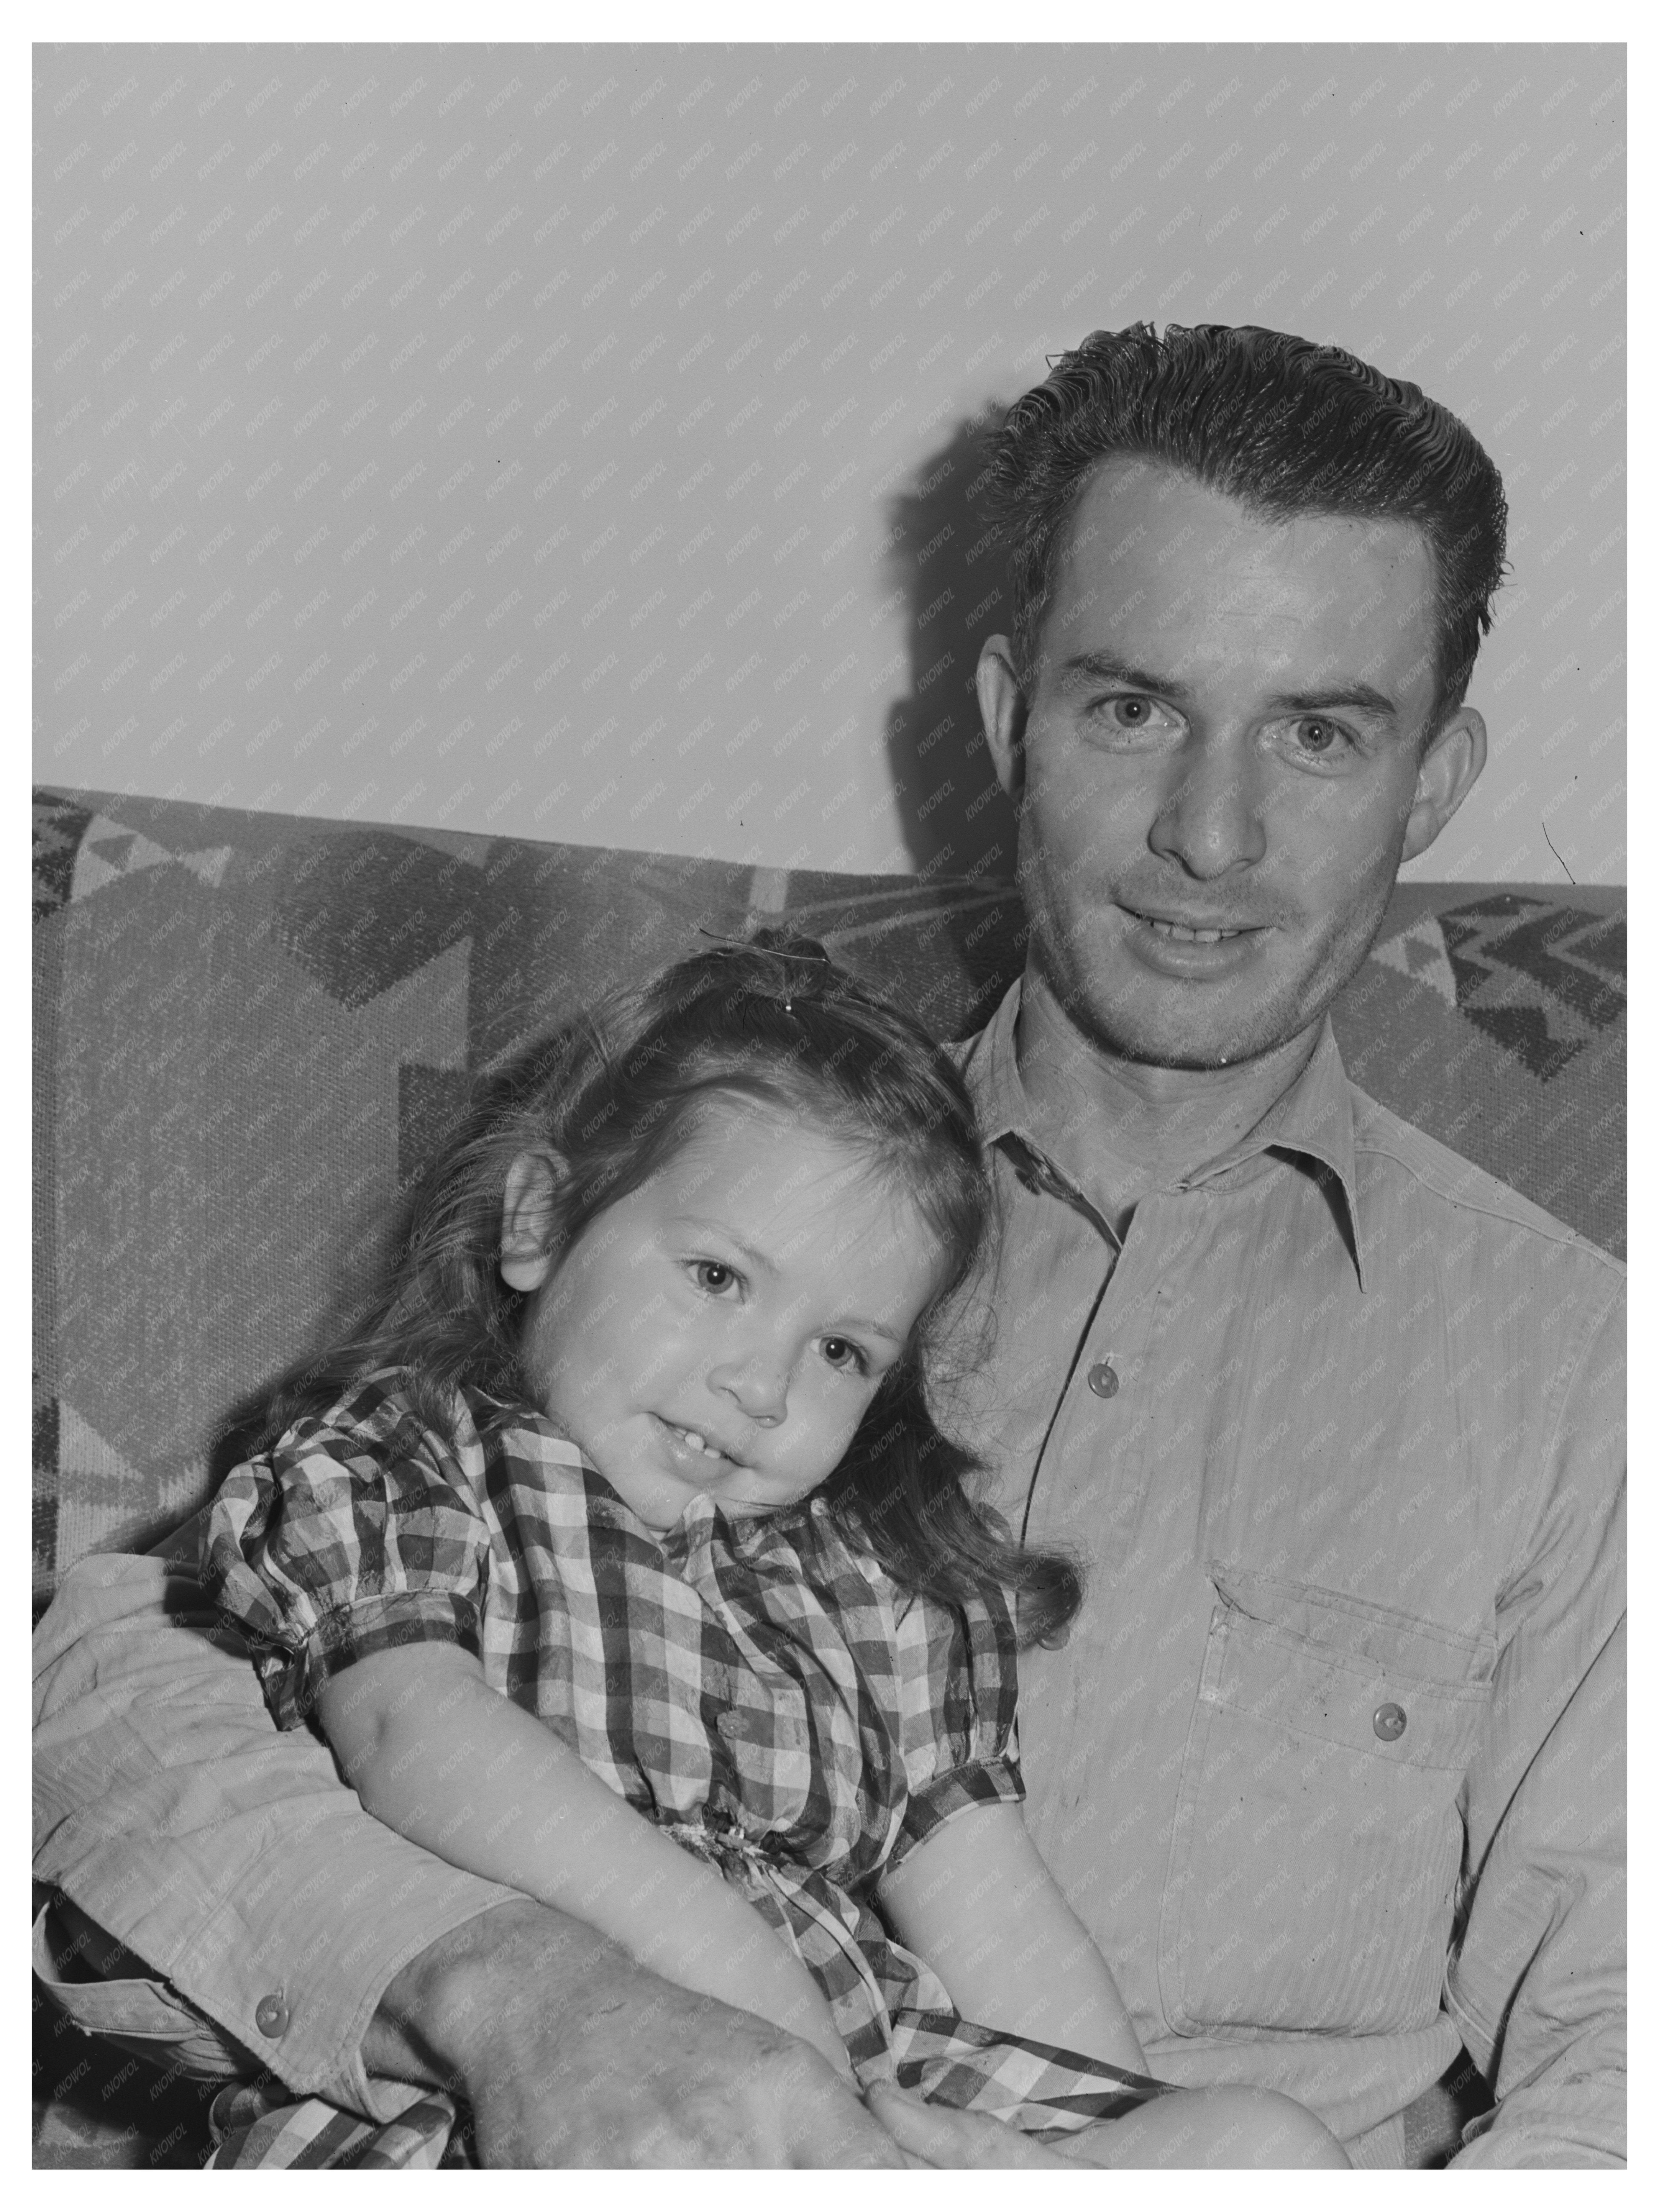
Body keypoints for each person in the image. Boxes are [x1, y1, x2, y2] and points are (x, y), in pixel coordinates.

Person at [34, 322, 1624, 2168]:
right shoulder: (720, 1183)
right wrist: (506, 1987)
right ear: (1006, 713)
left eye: (1323, 734)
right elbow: (108, 1696)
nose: (1211, 831)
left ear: (1434, 780)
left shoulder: (1582, 1365)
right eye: (1133, 708)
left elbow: (1622, 2057)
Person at [183, 929, 1343, 2168]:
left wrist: (1083, 2143)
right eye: (718, 1277)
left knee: (1256, 2146)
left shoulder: (872, 1587)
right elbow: (413, 1739)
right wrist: (755, 2007)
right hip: (548, 2080)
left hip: (866, 2092)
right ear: (538, 1221)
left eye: (841, 1350)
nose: (761, 1385)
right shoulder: (406, 1461)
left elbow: (994, 1911)